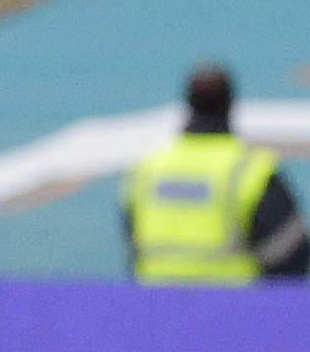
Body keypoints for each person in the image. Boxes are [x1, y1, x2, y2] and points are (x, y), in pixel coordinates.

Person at [121, 64, 308, 283]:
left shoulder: (149, 168)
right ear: (230, 104)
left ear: (188, 103)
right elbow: (290, 252)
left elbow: (131, 235)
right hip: (232, 306)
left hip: (155, 304)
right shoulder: (251, 170)